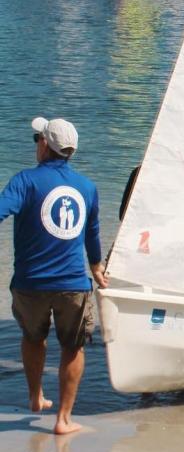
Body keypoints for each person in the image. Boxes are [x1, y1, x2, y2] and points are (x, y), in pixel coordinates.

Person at [0, 117, 106, 434]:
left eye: (37, 138)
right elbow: (93, 234)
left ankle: (35, 397)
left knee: (33, 337)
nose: (37, 143)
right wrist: (97, 268)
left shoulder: (24, 181)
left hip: (29, 283)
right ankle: (62, 419)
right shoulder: (87, 187)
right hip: (72, 283)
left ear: (45, 145)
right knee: (72, 347)